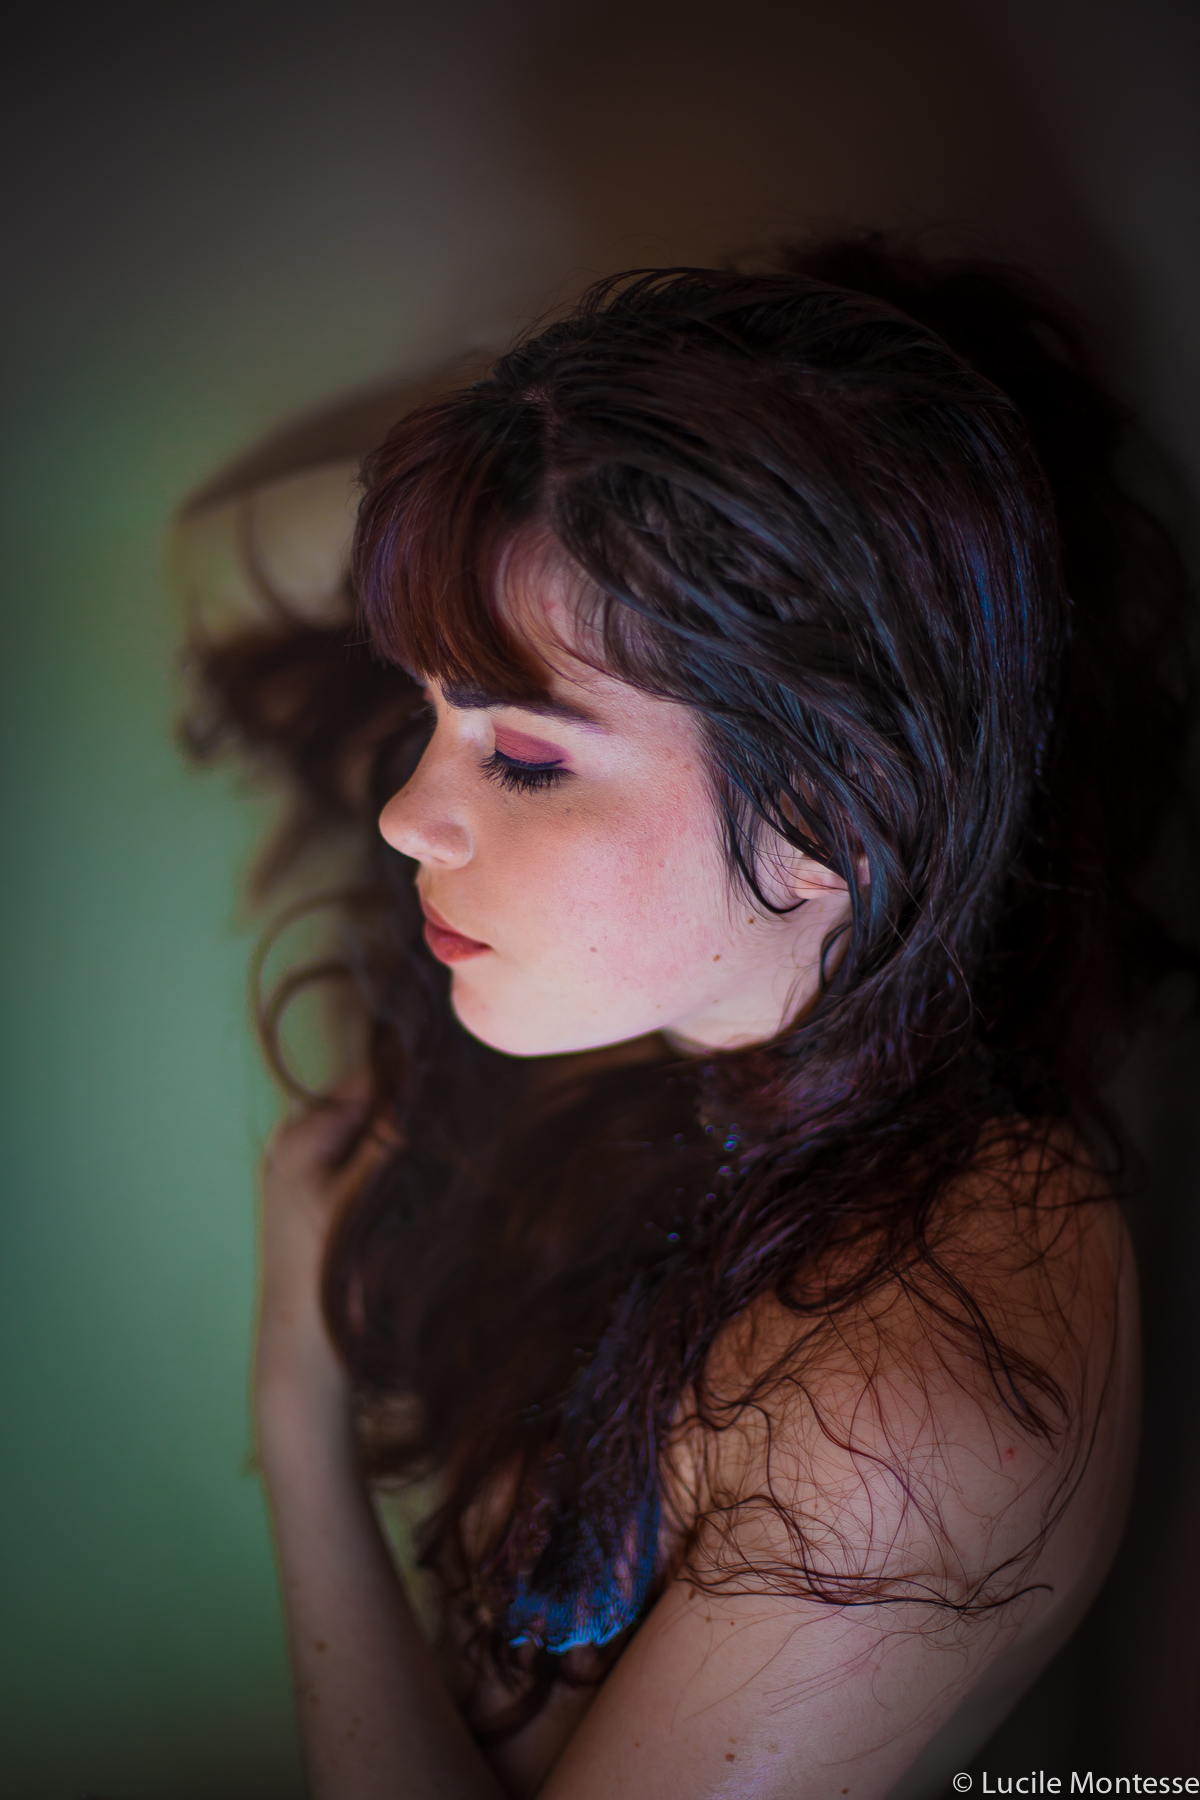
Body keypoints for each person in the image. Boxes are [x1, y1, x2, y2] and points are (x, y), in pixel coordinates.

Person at [178, 237, 1197, 1799]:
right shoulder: (703, 1027)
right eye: (426, 707)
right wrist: (544, 473)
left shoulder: (904, 1402)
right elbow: (218, 561)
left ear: (833, 811)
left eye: (525, 759)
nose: (405, 816)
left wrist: (293, 1405)